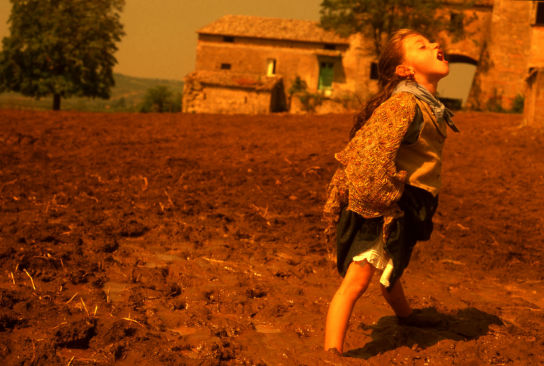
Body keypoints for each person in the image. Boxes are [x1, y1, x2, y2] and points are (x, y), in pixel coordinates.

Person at [322, 29, 459, 354]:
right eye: (422, 46)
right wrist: (386, 200)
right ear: (404, 70)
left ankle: (406, 315)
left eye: (431, 42)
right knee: (357, 280)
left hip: (403, 204)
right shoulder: (404, 105)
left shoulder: (427, 105)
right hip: (381, 208)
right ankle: (331, 353)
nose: (436, 45)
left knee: (391, 265)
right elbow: (366, 159)